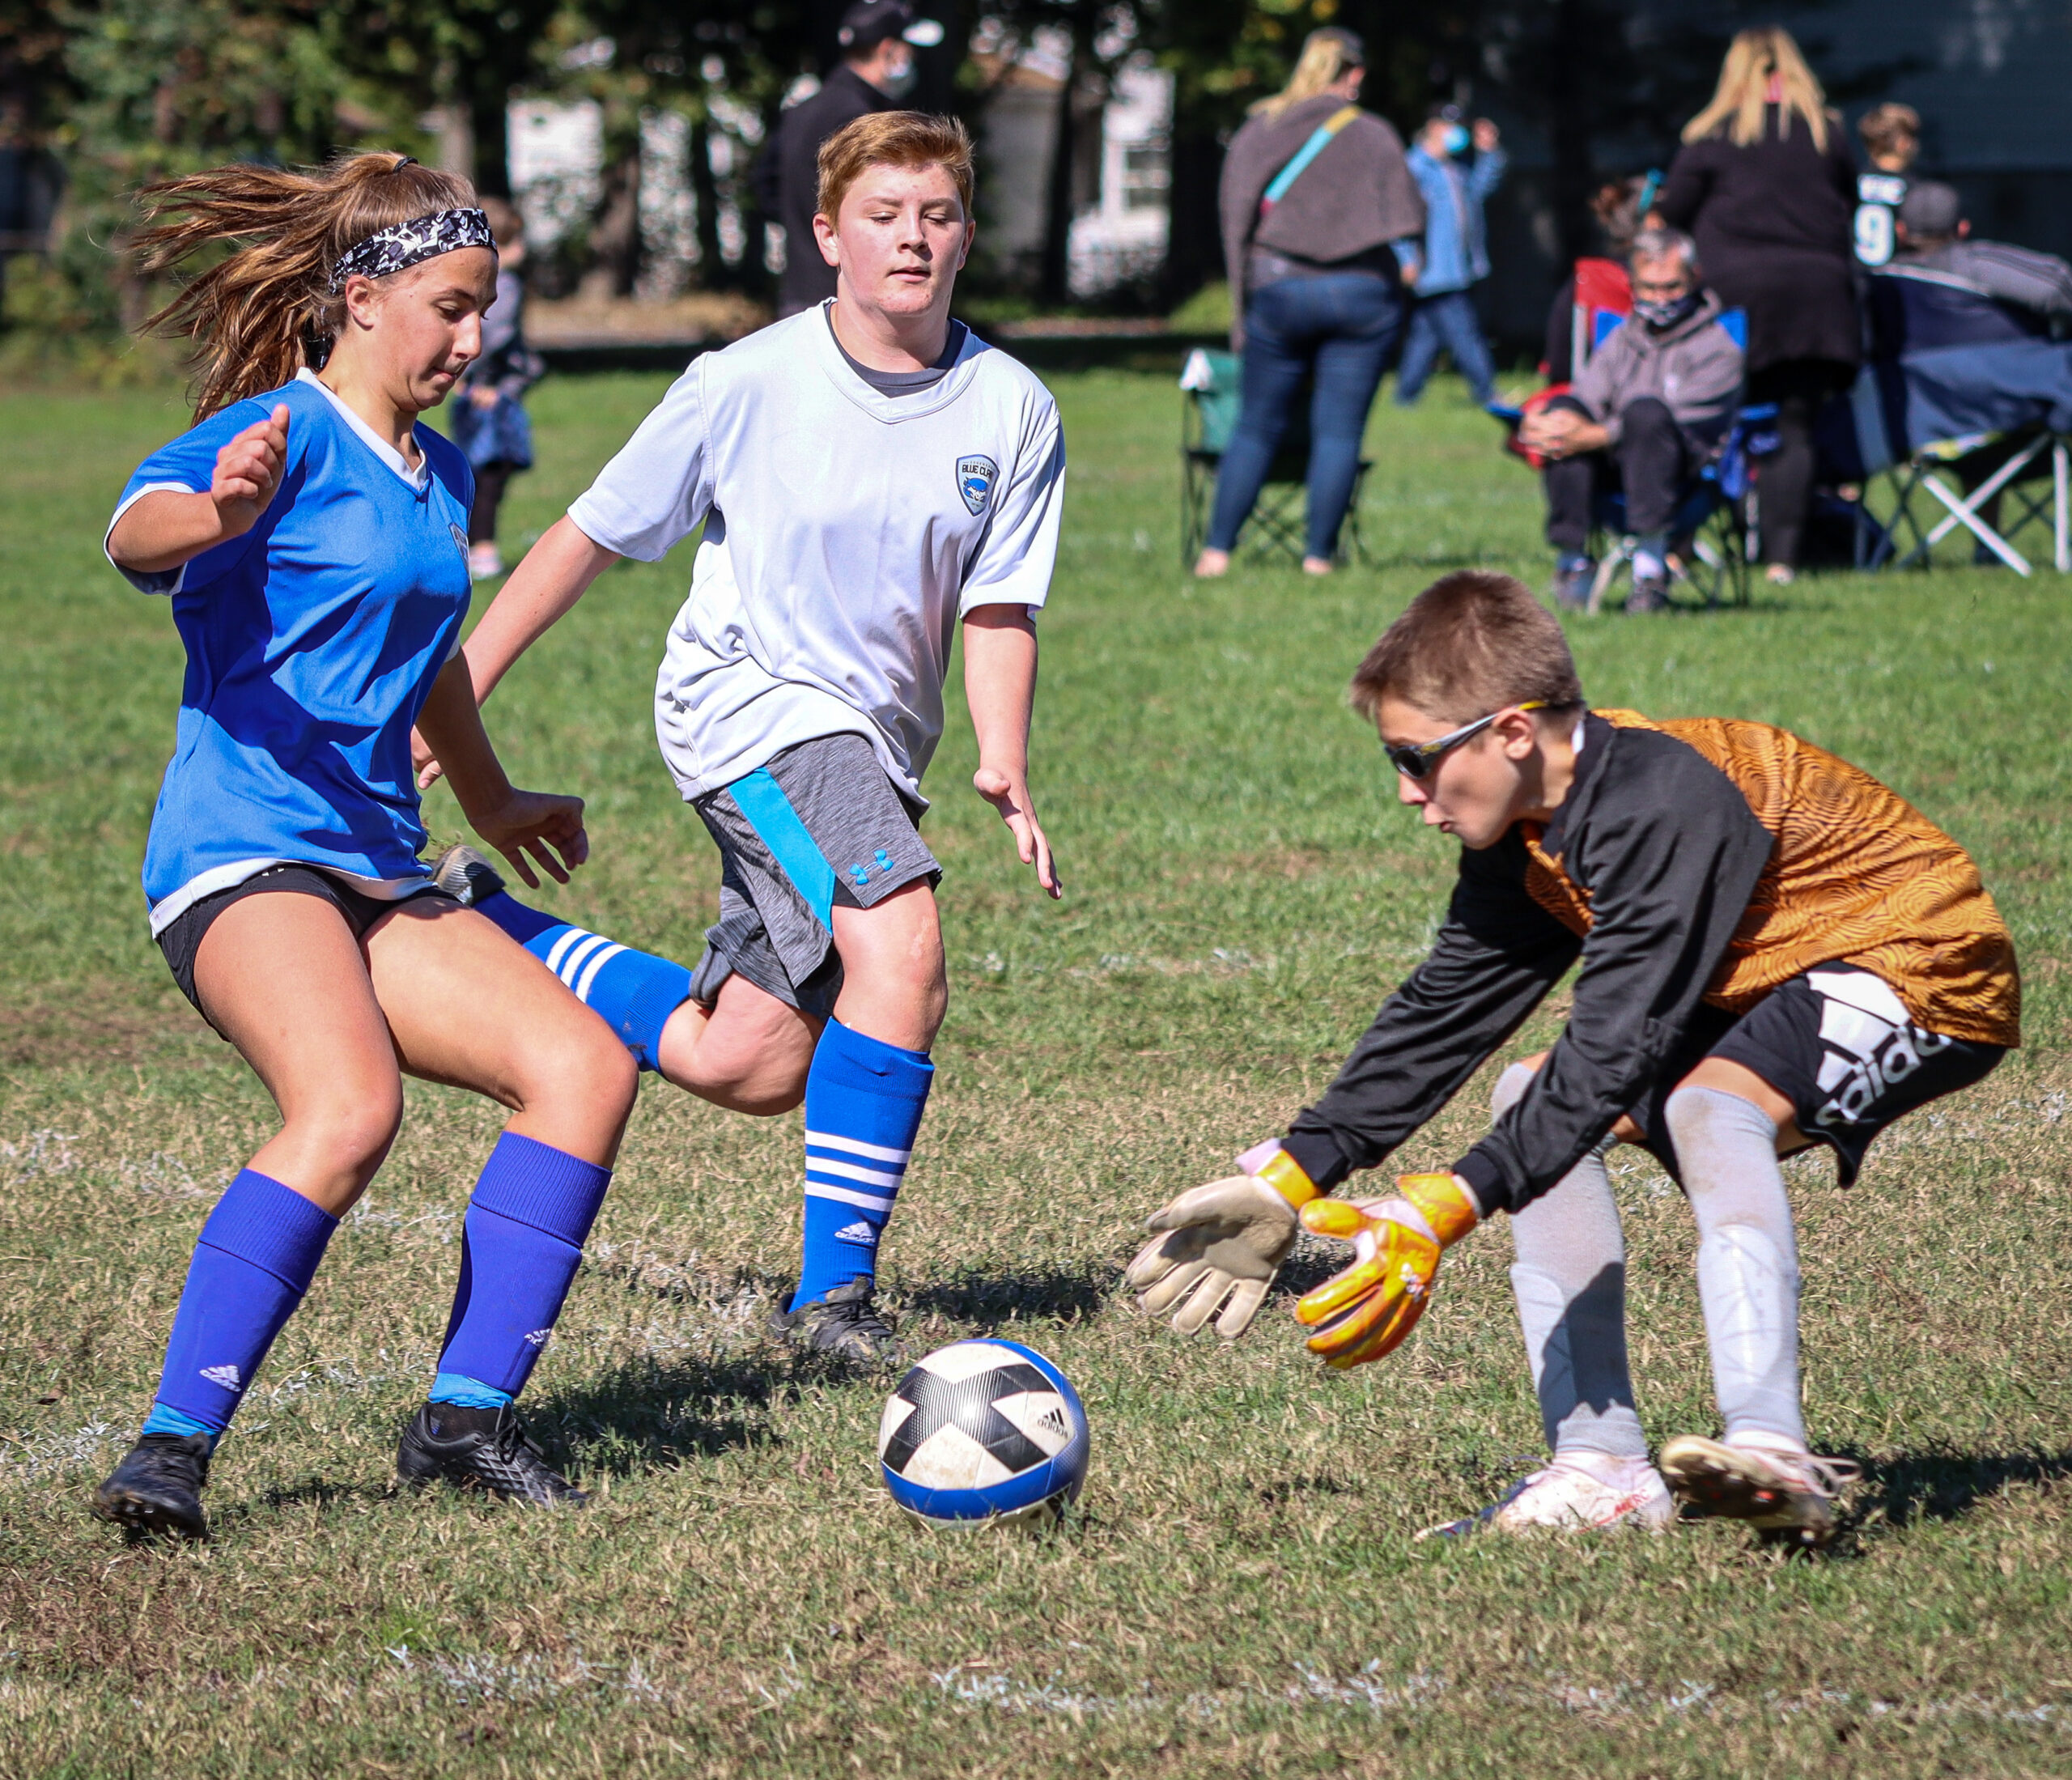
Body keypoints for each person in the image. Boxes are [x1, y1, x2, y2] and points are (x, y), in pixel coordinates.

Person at [1127, 571, 2016, 1547]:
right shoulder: (1527, 825)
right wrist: (1297, 1171)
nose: (1408, 793)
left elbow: (1618, 1039)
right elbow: (1452, 1003)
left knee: (1709, 1109)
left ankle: (1775, 1452)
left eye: (1416, 759)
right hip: (1756, 981)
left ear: (1512, 732)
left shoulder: (1663, 800)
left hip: (1916, 962)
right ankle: (1601, 1472)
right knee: (1528, 1094)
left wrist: (1451, 1202)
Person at [414, 113, 1065, 1368]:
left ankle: (496, 927)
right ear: (828, 235)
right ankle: (833, 1301)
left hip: (871, 744)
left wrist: (1004, 755)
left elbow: (999, 604)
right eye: (883, 215)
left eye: (936, 215)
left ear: (967, 235)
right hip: (750, 711)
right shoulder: (746, 381)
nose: (913, 238)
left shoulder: (1014, 406)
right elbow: (589, 534)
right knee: (901, 940)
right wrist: (467, 687)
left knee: (749, 1059)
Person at [88, 153, 641, 1542]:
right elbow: (135, 534)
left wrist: (494, 800)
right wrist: (217, 513)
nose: (474, 337)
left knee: (582, 1067)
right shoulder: (272, 432)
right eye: (452, 307)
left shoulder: (438, 470)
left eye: (485, 308)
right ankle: (170, 1446)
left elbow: (427, 650)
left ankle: (464, 1420)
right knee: (348, 1107)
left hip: (378, 861)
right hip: (244, 851)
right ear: (363, 297)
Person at [1196, 26, 1424, 579]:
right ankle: (1318, 558)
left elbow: (1235, 222)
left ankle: (1216, 553)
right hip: (1363, 295)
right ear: (1355, 74)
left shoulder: (1261, 128)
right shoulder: (1374, 134)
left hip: (1280, 290)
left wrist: (1241, 307)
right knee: (1339, 432)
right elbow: (1410, 219)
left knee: (1255, 425)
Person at [1656, 28, 1858, 584]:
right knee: (1794, 429)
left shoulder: (1713, 135)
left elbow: (1672, 214)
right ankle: (1780, 562)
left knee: (1704, 419)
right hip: (1816, 301)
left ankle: (1678, 547)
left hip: (1736, 301)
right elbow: (1850, 201)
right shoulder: (1826, 133)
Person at [1521, 227, 1744, 611]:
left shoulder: (1718, 349)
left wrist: (1595, 436)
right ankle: (1573, 561)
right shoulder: (1624, 337)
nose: (1660, 299)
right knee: (1564, 412)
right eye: (1648, 288)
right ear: (1633, 285)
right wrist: (1546, 420)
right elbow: (1588, 395)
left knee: (1647, 414)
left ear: (1694, 278)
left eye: (1671, 287)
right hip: (1616, 463)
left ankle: (1650, 570)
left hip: (1685, 473)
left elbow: (1679, 421)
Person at [758, 0, 945, 318]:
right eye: (909, 48)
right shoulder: (864, 121)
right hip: (850, 305)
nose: (913, 58)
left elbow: (765, 186)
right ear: (889, 49)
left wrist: (806, 235)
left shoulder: (801, 110)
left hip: (799, 294)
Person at [449, 196, 546, 581]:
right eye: (513, 240)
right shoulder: (503, 284)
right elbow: (495, 337)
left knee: (479, 468)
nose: (522, 248)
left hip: (482, 391)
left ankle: (473, 547)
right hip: (491, 394)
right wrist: (477, 378)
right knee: (489, 471)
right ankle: (481, 549)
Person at [1395, 104, 1506, 410]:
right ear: (1434, 127)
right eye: (1451, 126)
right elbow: (1399, 218)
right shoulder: (1414, 167)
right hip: (1433, 269)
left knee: (1426, 334)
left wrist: (1488, 153)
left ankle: (1405, 396)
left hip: (1457, 267)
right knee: (1464, 332)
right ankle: (1487, 391)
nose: (1458, 133)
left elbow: (1480, 190)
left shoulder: (1454, 168)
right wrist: (1406, 258)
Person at [1853, 102, 1919, 270]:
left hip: (1854, 276)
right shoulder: (1914, 190)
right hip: (1896, 280)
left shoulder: (1850, 183)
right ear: (1903, 143)